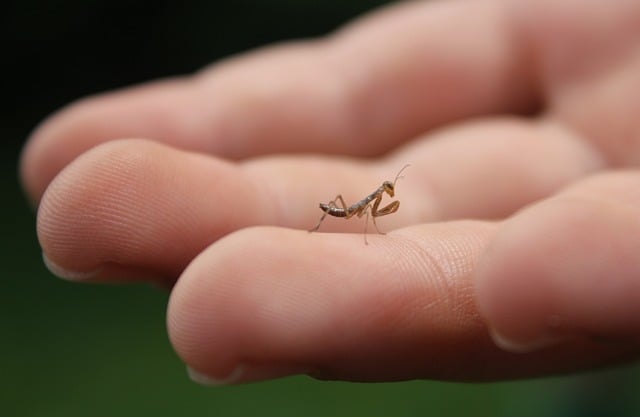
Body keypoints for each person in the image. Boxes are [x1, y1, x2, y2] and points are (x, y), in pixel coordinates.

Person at [20, 0, 640, 385]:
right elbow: (368, 213)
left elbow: (382, 206)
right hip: (343, 213)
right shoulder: (364, 203)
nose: (385, 196)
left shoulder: (382, 198)